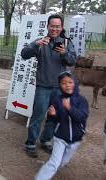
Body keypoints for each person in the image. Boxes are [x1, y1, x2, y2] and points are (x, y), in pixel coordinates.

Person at [21, 14, 77, 158]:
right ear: (47, 26)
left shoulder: (66, 42)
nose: (54, 29)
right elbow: (24, 54)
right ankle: (31, 143)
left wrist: (65, 53)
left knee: (54, 117)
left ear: (61, 27)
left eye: (57, 26)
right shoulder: (40, 42)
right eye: (52, 26)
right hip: (43, 87)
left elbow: (72, 61)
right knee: (38, 116)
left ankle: (46, 141)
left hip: (59, 88)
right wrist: (35, 44)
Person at [35, 71, 89, 180]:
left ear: (75, 83)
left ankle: (51, 170)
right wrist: (52, 115)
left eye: (70, 82)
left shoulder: (82, 100)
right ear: (60, 85)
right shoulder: (57, 100)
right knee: (54, 163)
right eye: (63, 83)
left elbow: (81, 117)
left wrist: (69, 108)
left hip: (75, 139)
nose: (67, 85)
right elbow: (54, 121)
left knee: (63, 162)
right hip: (60, 137)